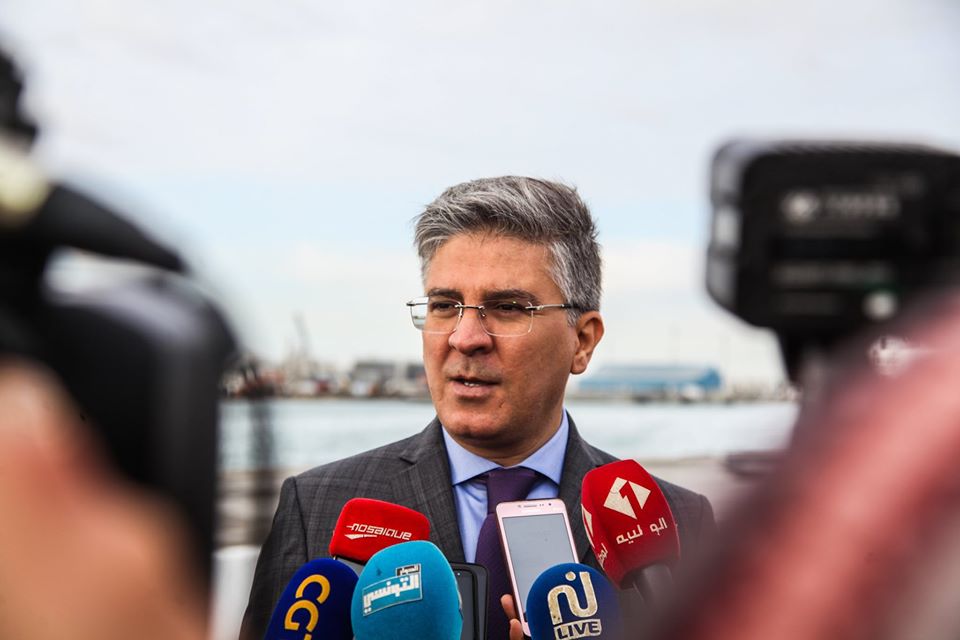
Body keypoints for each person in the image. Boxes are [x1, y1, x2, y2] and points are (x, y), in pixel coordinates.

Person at [240, 176, 715, 639]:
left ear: (583, 341)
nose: (465, 338)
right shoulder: (316, 506)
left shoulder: (678, 523)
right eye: (445, 305)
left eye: (508, 307)